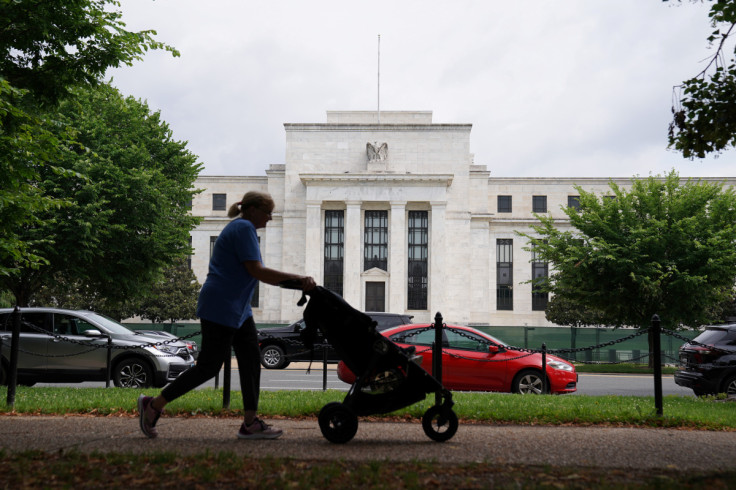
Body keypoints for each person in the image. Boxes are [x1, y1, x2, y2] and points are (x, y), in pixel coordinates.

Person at [138, 191, 316, 439]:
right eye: (268, 213)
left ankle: (250, 423)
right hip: (221, 306)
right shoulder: (243, 228)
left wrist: (296, 282)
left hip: (238, 310)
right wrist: (299, 280)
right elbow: (257, 271)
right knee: (209, 367)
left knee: (252, 361)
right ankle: (154, 405)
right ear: (253, 210)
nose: (271, 218)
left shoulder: (244, 229)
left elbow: (255, 272)